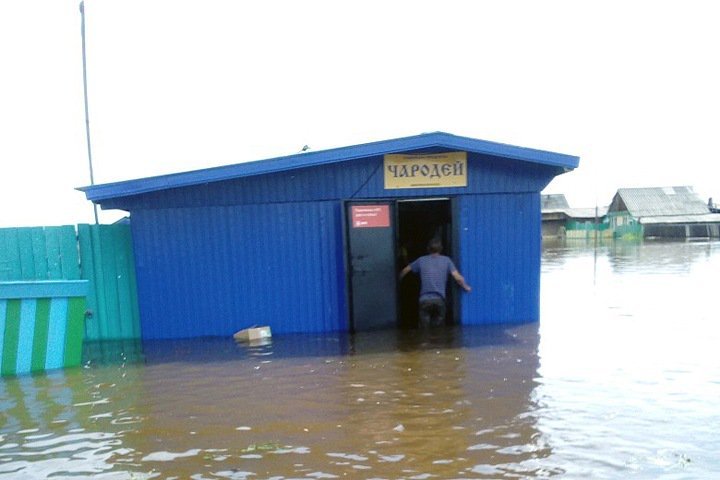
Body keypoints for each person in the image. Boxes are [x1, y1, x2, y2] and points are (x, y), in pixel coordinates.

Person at [399, 238, 471, 327]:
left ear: (428, 249)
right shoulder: (446, 260)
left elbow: (405, 270)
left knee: (423, 332)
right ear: (441, 249)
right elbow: (458, 278)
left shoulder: (421, 260)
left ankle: (423, 341)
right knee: (439, 331)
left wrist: (399, 282)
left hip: (424, 300)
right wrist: (466, 287)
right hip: (439, 300)